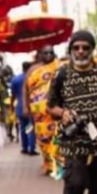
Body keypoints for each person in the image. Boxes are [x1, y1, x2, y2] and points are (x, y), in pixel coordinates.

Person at [47, 30, 97, 194]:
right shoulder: (62, 75)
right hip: (74, 140)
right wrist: (63, 114)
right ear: (70, 50)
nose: (81, 52)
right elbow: (51, 106)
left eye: (85, 47)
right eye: (76, 47)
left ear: (92, 49)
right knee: (76, 183)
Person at [25, 45, 61, 176]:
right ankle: (47, 163)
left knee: (57, 137)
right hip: (39, 113)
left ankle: (57, 164)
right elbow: (26, 89)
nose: (49, 55)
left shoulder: (59, 66)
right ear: (39, 54)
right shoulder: (33, 70)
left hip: (56, 110)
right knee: (42, 138)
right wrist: (25, 106)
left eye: (51, 52)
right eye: (45, 53)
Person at [11, 61, 36, 156]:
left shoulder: (15, 79)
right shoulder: (32, 77)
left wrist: (11, 106)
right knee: (30, 127)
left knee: (23, 128)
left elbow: (13, 94)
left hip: (20, 106)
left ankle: (24, 147)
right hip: (31, 106)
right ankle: (31, 147)